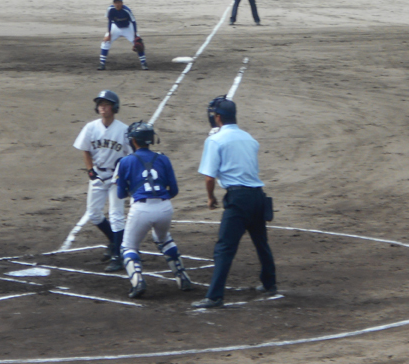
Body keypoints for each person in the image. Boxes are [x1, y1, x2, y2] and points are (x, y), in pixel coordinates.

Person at [193, 96, 276, 308]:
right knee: (261, 243)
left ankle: (214, 296)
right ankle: (269, 283)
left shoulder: (215, 140)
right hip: (258, 197)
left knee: (224, 248)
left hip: (238, 200)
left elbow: (209, 177)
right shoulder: (250, 138)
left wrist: (211, 198)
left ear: (218, 117)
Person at [114, 121, 192, 298]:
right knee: (163, 238)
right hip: (165, 208)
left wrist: (133, 188)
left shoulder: (125, 161)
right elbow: (175, 190)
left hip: (141, 208)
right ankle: (182, 276)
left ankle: (137, 282)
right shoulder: (163, 159)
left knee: (128, 247)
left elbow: (120, 194)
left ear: (133, 141)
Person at [72, 90, 130, 270]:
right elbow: (85, 149)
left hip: (116, 177)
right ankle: (115, 242)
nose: (102, 107)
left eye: (106, 104)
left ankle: (118, 256)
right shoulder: (91, 127)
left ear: (114, 107)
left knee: (116, 215)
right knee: (94, 214)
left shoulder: (123, 130)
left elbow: (131, 155)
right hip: (98, 174)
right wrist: (90, 171)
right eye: (100, 104)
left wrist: (123, 175)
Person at [98, 0, 148, 71]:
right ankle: (102, 64)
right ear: (113, 3)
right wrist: (109, 34)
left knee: (138, 43)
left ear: (122, 3)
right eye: (115, 2)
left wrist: (135, 35)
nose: (117, 4)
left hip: (128, 28)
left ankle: (144, 63)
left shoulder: (127, 10)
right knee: (105, 42)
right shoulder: (110, 9)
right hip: (116, 27)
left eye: (118, 2)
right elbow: (110, 22)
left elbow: (134, 22)